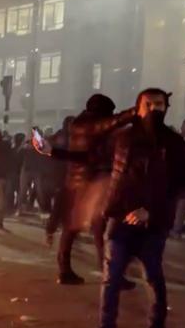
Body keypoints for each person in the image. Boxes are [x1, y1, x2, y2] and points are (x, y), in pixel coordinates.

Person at [83, 89, 185, 328]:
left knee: (152, 275)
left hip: (154, 220)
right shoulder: (123, 138)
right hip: (120, 217)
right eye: (147, 104)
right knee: (111, 277)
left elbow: (169, 182)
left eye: (159, 104)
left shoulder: (173, 142)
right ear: (137, 108)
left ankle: (156, 326)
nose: (153, 109)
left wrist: (149, 210)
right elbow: (114, 172)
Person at [45, 95, 135, 285]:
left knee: (72, 228)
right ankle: (110, 272)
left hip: (76, 179)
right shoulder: (92, 125)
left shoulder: (77, 124)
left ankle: (65, 270)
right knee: (101, 230)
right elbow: (115, 121)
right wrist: (138, 110)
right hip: (92, 181)